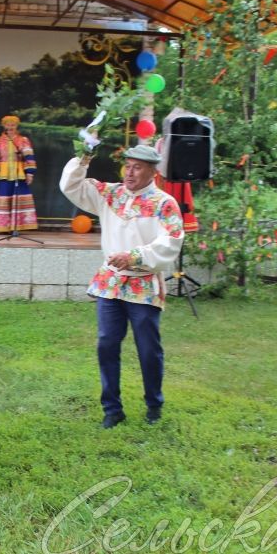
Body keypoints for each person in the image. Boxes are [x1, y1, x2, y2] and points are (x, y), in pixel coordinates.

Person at [59, 145, 184, 428]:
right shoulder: (110, 194)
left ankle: (154, 404)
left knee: (148, 348)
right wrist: (84, 156)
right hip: (111, 282)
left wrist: (135, 256)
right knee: (106, 344)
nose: (129, 172)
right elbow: (71, 185)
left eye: (137, 167)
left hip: (143, 284)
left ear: (153, 171)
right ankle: (112, 409)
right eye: (127, 166)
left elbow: (172, 240)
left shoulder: (165, 203)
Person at [0, 115, 37, 233]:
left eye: (13, 124)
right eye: (8, 124)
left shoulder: (23, 140)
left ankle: (18, 226)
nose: (10, 126)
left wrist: (30, 173)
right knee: (4, 198)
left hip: (18, 174)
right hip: (3, 174)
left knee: (18, 198)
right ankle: (3, 226)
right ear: (4, 126)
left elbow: (29, 156)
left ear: (16, 126)